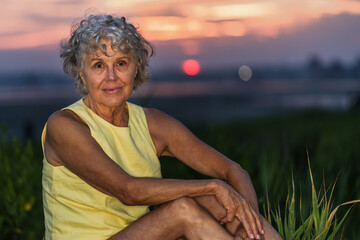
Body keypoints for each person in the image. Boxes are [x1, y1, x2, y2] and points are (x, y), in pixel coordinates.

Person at [41, 13, 282, 240]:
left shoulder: (153, 124)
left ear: (136, 68)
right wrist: (211, 186)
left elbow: (234, 170)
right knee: (184, 210)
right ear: (82, 74)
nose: (111, 77)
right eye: (98, 66)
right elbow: (128, 191)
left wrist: (246, 216)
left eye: (121, 63)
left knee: (219, 204)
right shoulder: (64, 125)